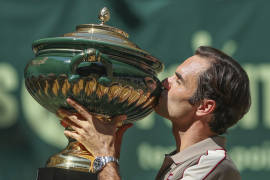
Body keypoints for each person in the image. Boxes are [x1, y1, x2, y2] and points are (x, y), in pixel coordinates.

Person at [59, 46, 251, 180]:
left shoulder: (212, 166)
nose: (166, 82)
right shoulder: (186, 161)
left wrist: (105, 156)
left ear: (204, 107)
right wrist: (109, 157)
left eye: (178, 80)